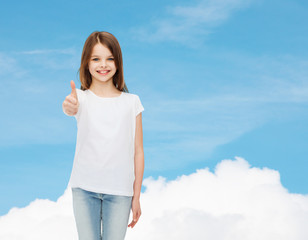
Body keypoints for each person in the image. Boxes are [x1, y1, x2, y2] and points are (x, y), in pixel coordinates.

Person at [62, 31, 145, 240]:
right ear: (86, 63)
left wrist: (136, 196)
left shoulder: (131, 102)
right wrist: (69, 107)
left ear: (118, 63)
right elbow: (69, 108)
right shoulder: (80, 98)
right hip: (84, 189)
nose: (103, 65)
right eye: (96, 59)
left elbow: (138, 151)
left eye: (109, 59)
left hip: (120, 193)